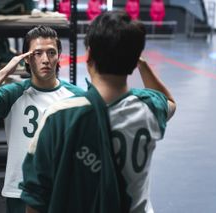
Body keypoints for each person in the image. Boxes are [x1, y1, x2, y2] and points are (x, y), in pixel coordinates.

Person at [20, 10, 176, 213]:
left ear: (89, 55)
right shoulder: (148, 107)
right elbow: (169, 101)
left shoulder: (60, 116)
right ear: (134, 60)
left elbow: (36, 197)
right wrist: (140, 63)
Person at [0, 26, 84, 213]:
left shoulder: (76, 96)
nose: (45, 59)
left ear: (58, 56)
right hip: (20, 189)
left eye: (51, 53)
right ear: (27, 58)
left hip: (61, 189)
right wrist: (4, 72)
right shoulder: (14, 93)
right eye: (38, 53)